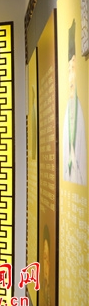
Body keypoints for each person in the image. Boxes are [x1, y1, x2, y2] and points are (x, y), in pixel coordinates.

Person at [62, 19, 87, 185]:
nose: (71, 76)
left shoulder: (80, 110)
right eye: (68, 70)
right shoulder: (66, 111)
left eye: (73, 69)